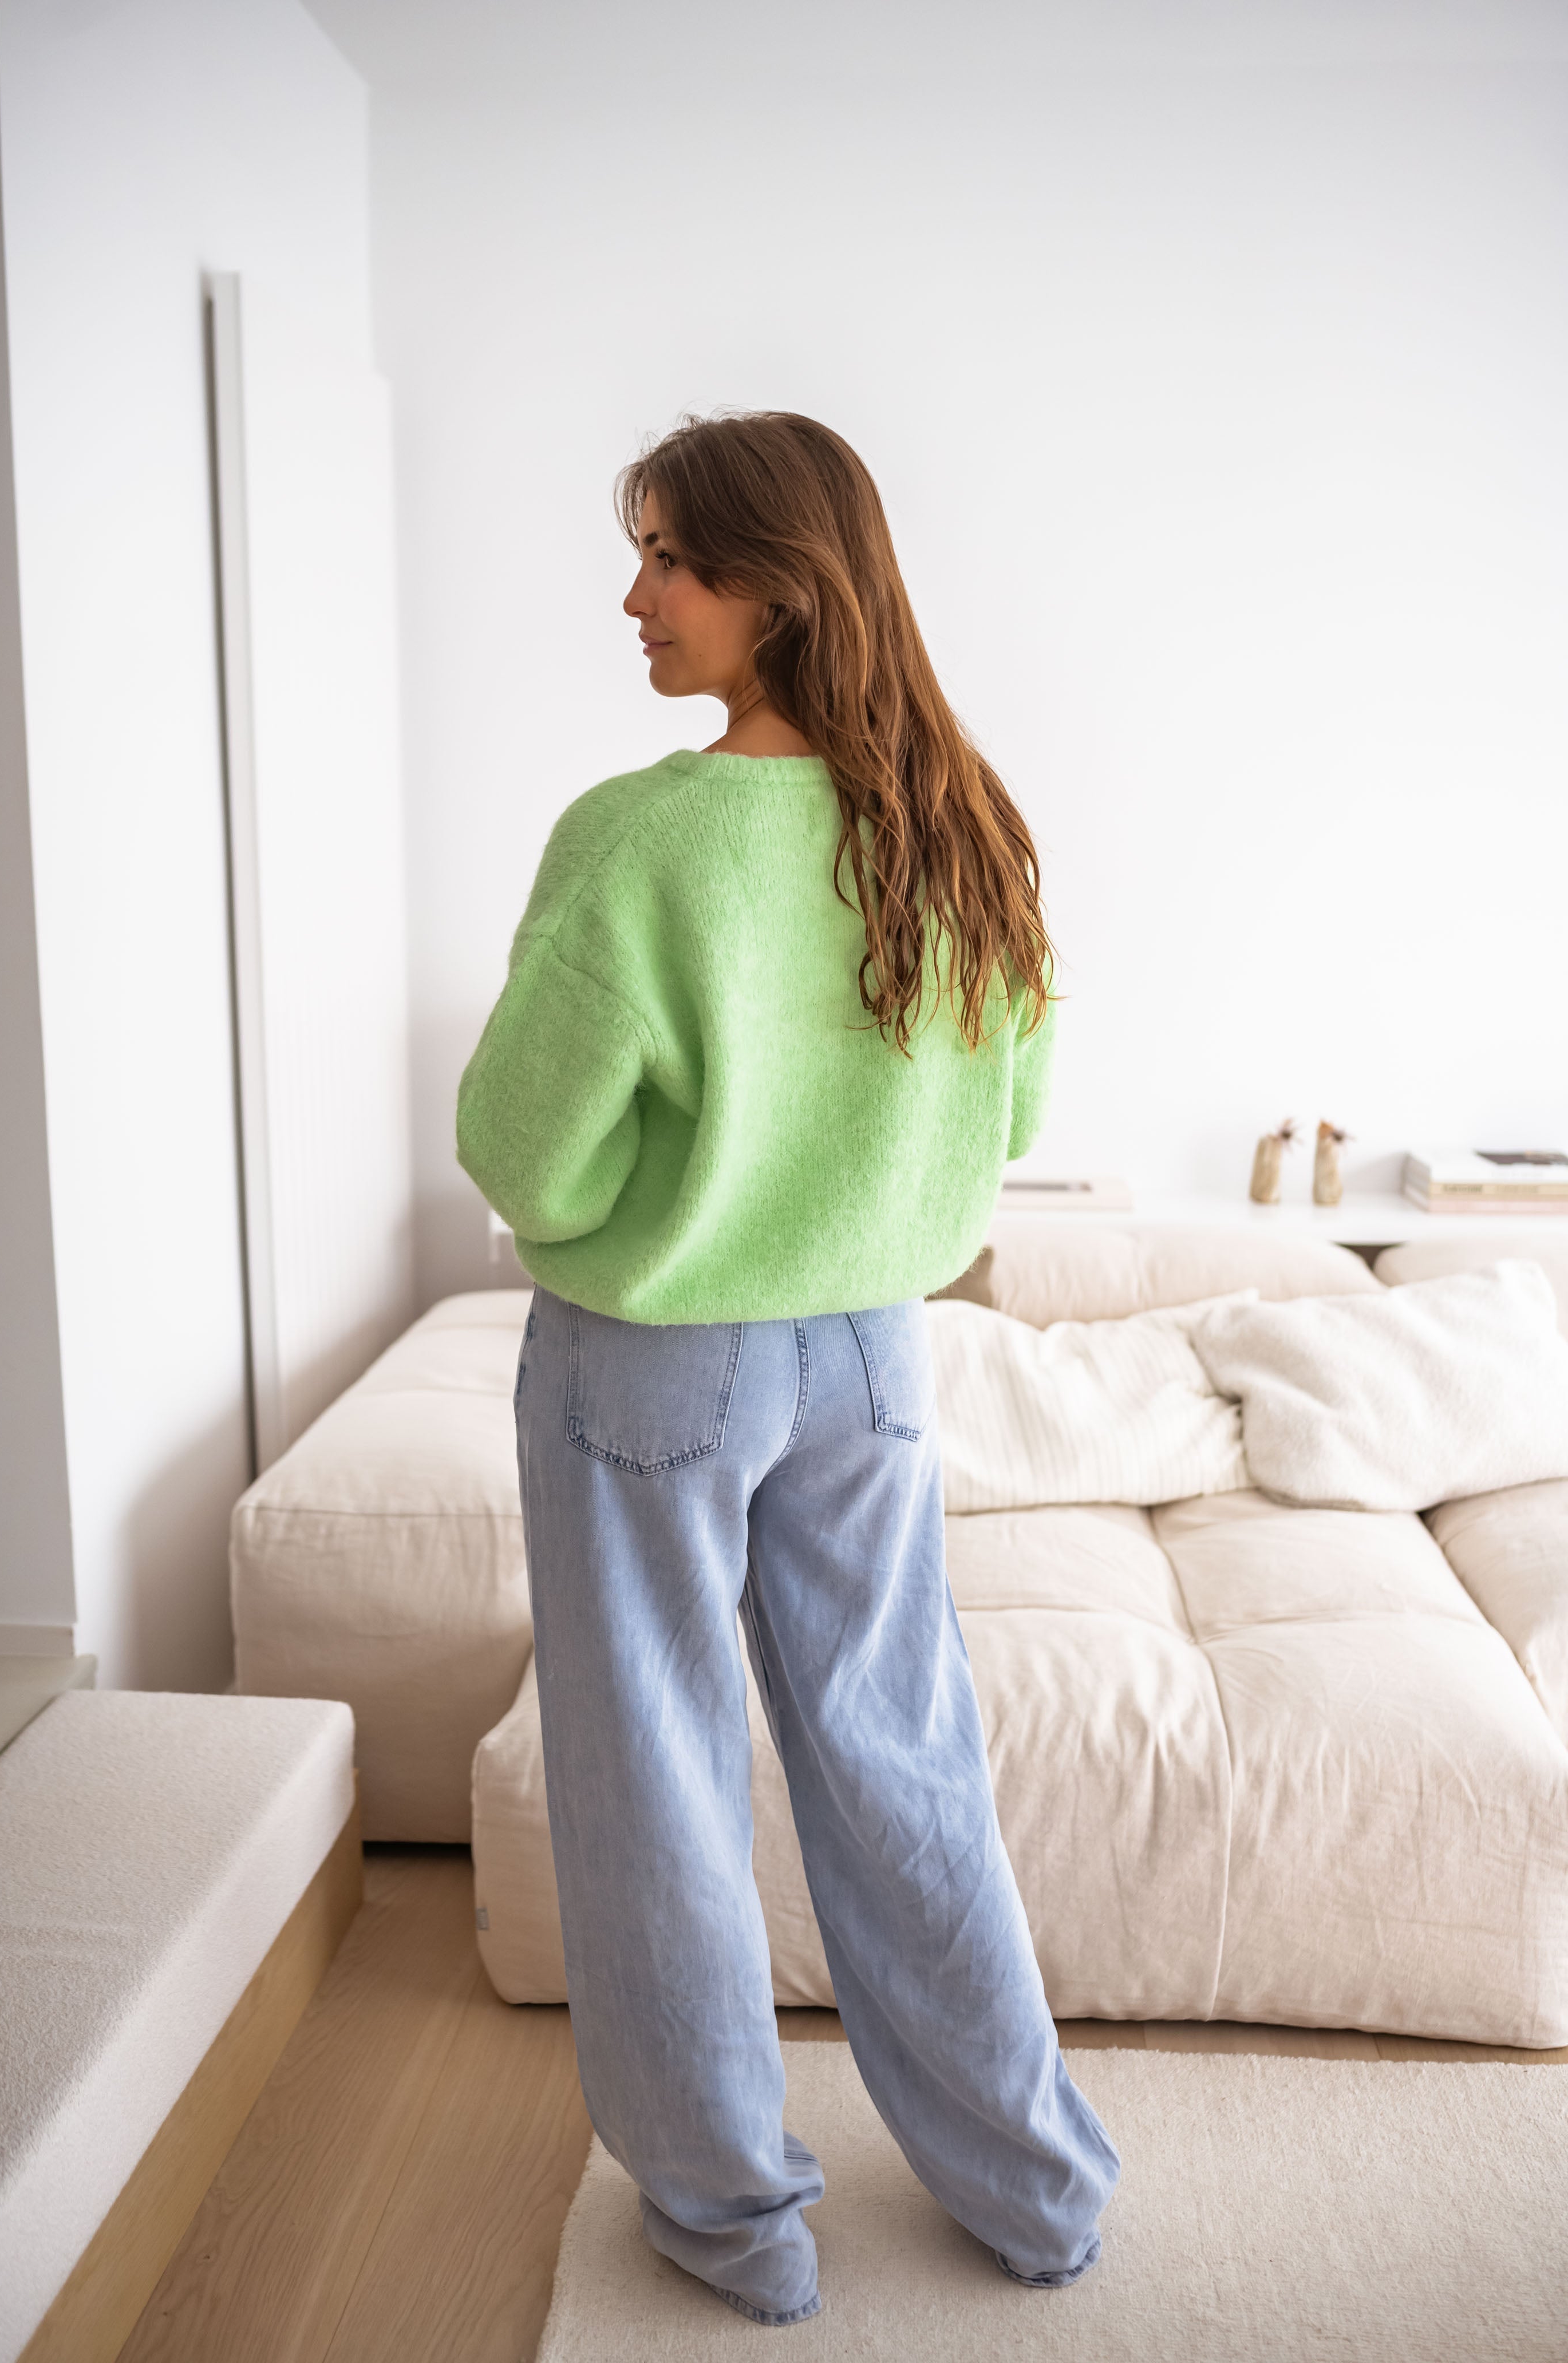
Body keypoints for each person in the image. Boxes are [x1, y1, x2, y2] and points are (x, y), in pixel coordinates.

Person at [456, 412, 1119, 2328]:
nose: (637, 596)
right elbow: (1011, 1115)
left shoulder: (643, 837)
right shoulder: (965, 816)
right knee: (905, 1760)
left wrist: (646, 1201)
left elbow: (523, 1150)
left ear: (783, 586)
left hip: (656, 1367)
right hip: (877, 1356)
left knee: (652, 1773)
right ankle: (1035, 2186)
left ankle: (735, 2218)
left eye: (672, 557)